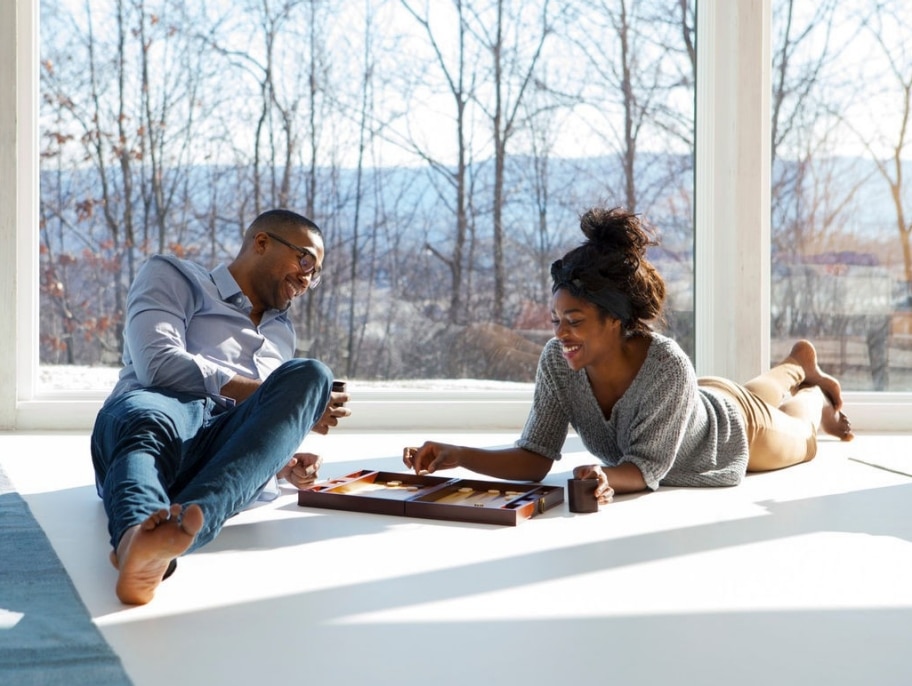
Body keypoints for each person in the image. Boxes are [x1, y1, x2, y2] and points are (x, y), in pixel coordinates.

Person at [404, 206, 853, 507]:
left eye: (574, 320)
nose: (560, 333)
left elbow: (642, 469)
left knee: (803, 435)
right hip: (696, 397)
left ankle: (815, 393)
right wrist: (459, 454)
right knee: (753, 390)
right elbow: (536, 456)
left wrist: (606, 476)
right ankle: (798, 361)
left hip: (733, 432)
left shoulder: (667, 364)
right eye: (556, 318)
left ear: (616, 321)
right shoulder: (559, 361)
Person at [90, 208, 350, 605]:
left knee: (312, 375)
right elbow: (157, 363)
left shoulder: (283, 331)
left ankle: (173, 536)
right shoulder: (175, 276)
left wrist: (281, 461)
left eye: (315, 274)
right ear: (262, 242)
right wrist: (264, 393)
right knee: (150, 420)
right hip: (163, 408)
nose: (307, 278)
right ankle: (135, 537)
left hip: (217, 450)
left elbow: (246, 421)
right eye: (306, 260)